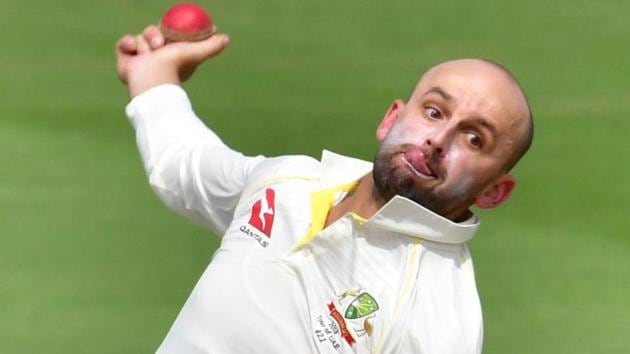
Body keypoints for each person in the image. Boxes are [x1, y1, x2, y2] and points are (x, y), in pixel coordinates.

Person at [116, 25, 533, 354]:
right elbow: (185, 165)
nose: (439, 139)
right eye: (434, 111)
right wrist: (154, 76)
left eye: (474, 139)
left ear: (495, 191)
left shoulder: (437, 320)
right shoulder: (291, 181)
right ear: (390, 118)